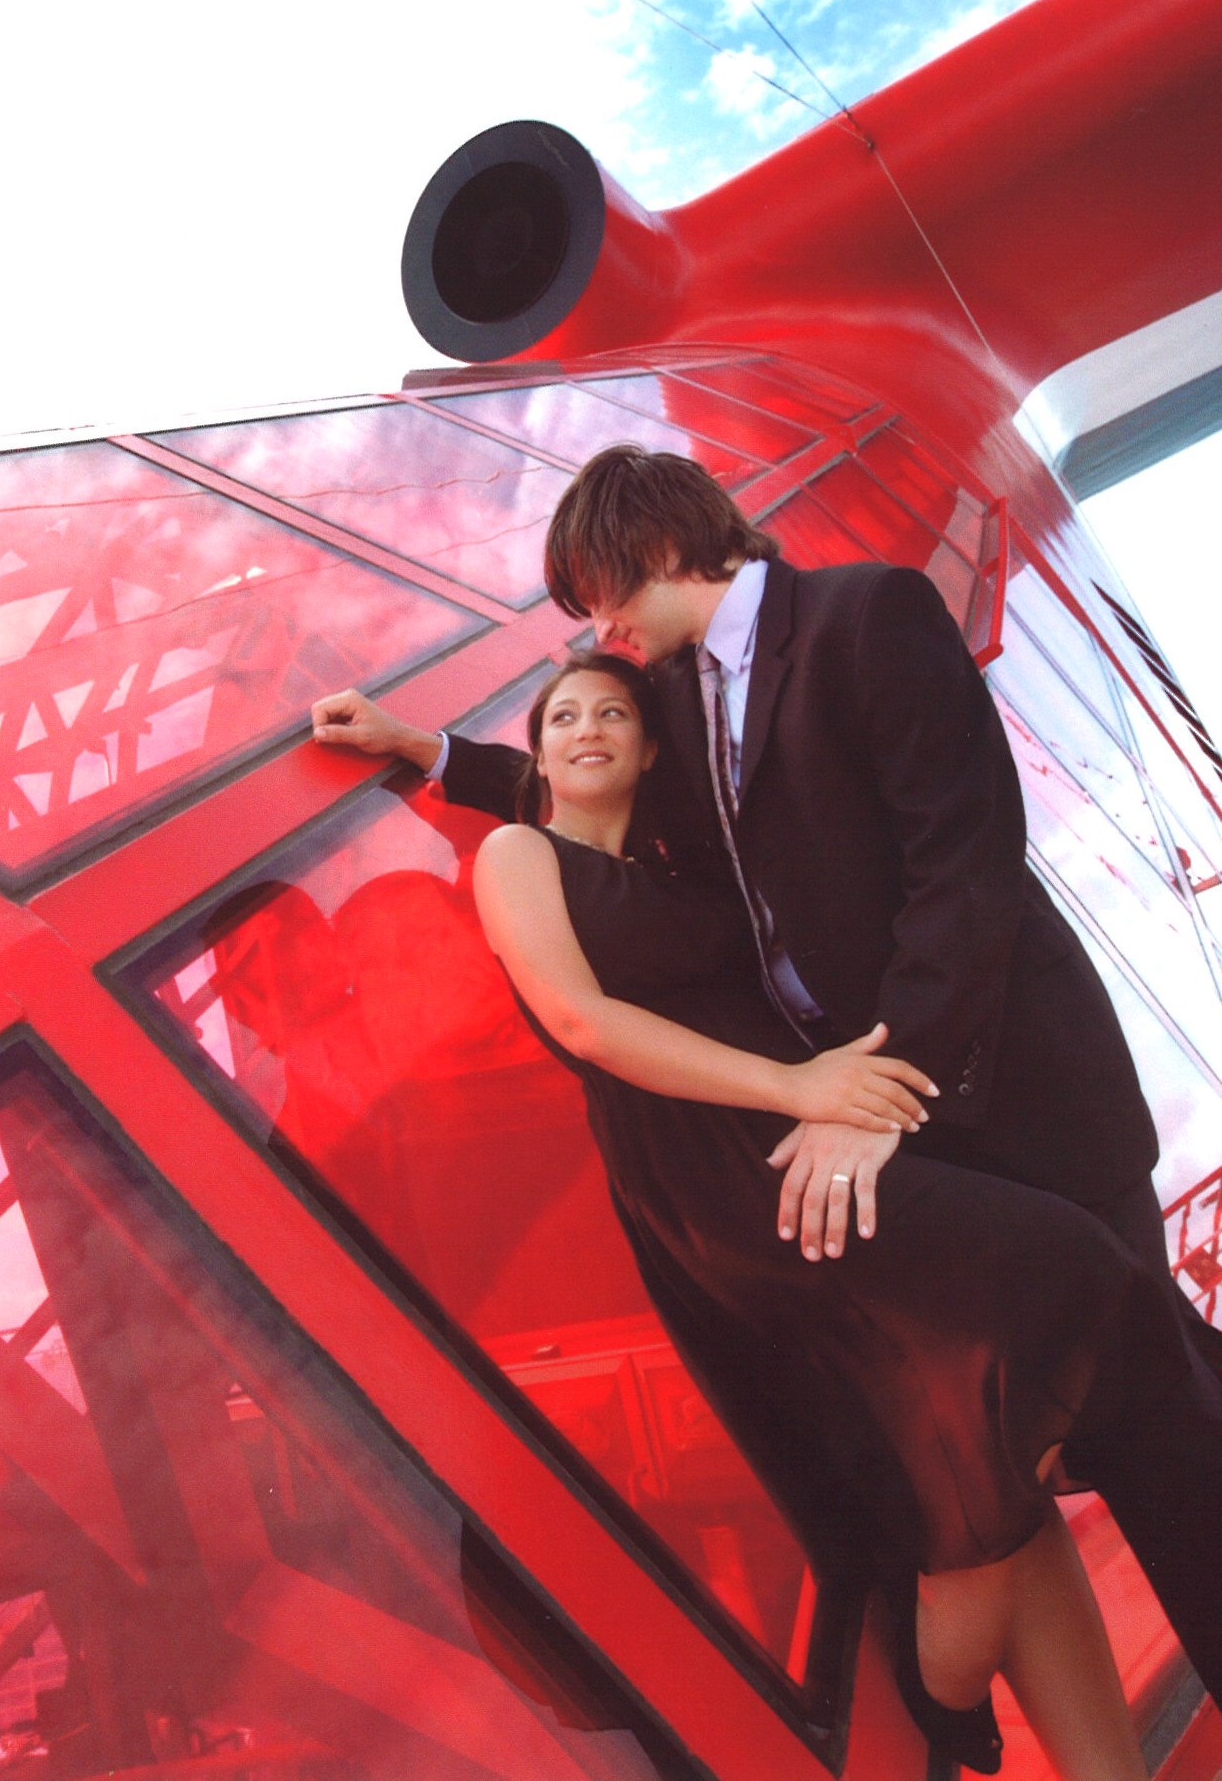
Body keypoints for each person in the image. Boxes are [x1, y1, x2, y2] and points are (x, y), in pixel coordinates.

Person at [312, 443, 1222, 1779]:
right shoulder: (679, 699)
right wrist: (427, 753)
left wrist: (875, 1098)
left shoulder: (866, 615)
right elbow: (578, 797)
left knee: (1166, 1433)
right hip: (902, 1119)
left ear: (652, 543)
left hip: (1012, 1099)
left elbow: (964, 861)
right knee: (1182, 1395)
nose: (599, 627)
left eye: (598, 591)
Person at [478, 650, 1172, 1775]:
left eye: (614, 712)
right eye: (563, 716)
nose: (588, 727)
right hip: (717, 1171)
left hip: (808, 1142)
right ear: (539, 753)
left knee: (988, 1493)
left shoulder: (684, 867)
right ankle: (940, 1682)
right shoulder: (516, 854)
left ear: (650, 750)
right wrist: (797, 1087)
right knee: (1056, 1268)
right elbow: (581, 1021)